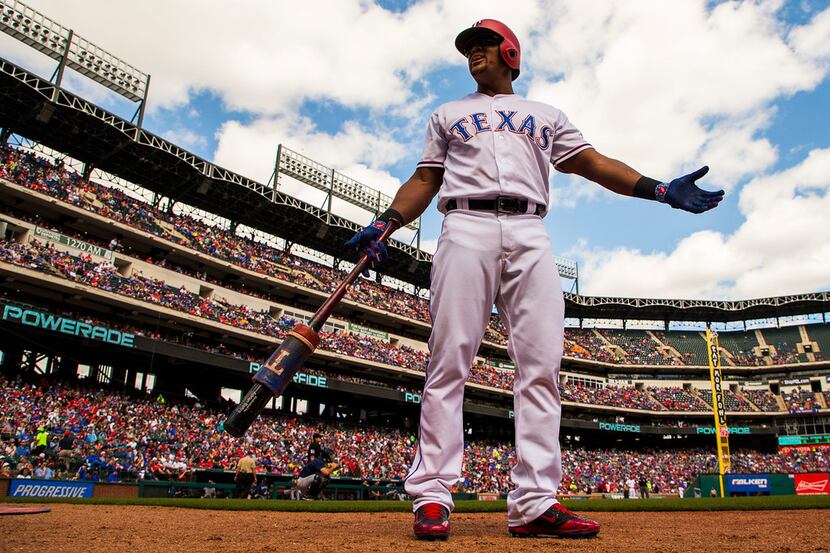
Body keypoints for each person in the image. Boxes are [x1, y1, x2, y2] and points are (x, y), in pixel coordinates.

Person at [345, 19, 723, 541]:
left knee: (542, 366)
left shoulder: (546, 115)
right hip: (465, 224)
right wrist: (389, 219)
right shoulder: (447, 113)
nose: (474, 54)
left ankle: (535, 501)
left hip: (529, 230)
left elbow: (592, 163)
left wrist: (656, 190)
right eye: (468, 49)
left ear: (510, 52)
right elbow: (426, 178)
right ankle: (432, 494)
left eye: (483, 46)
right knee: (449, 359)